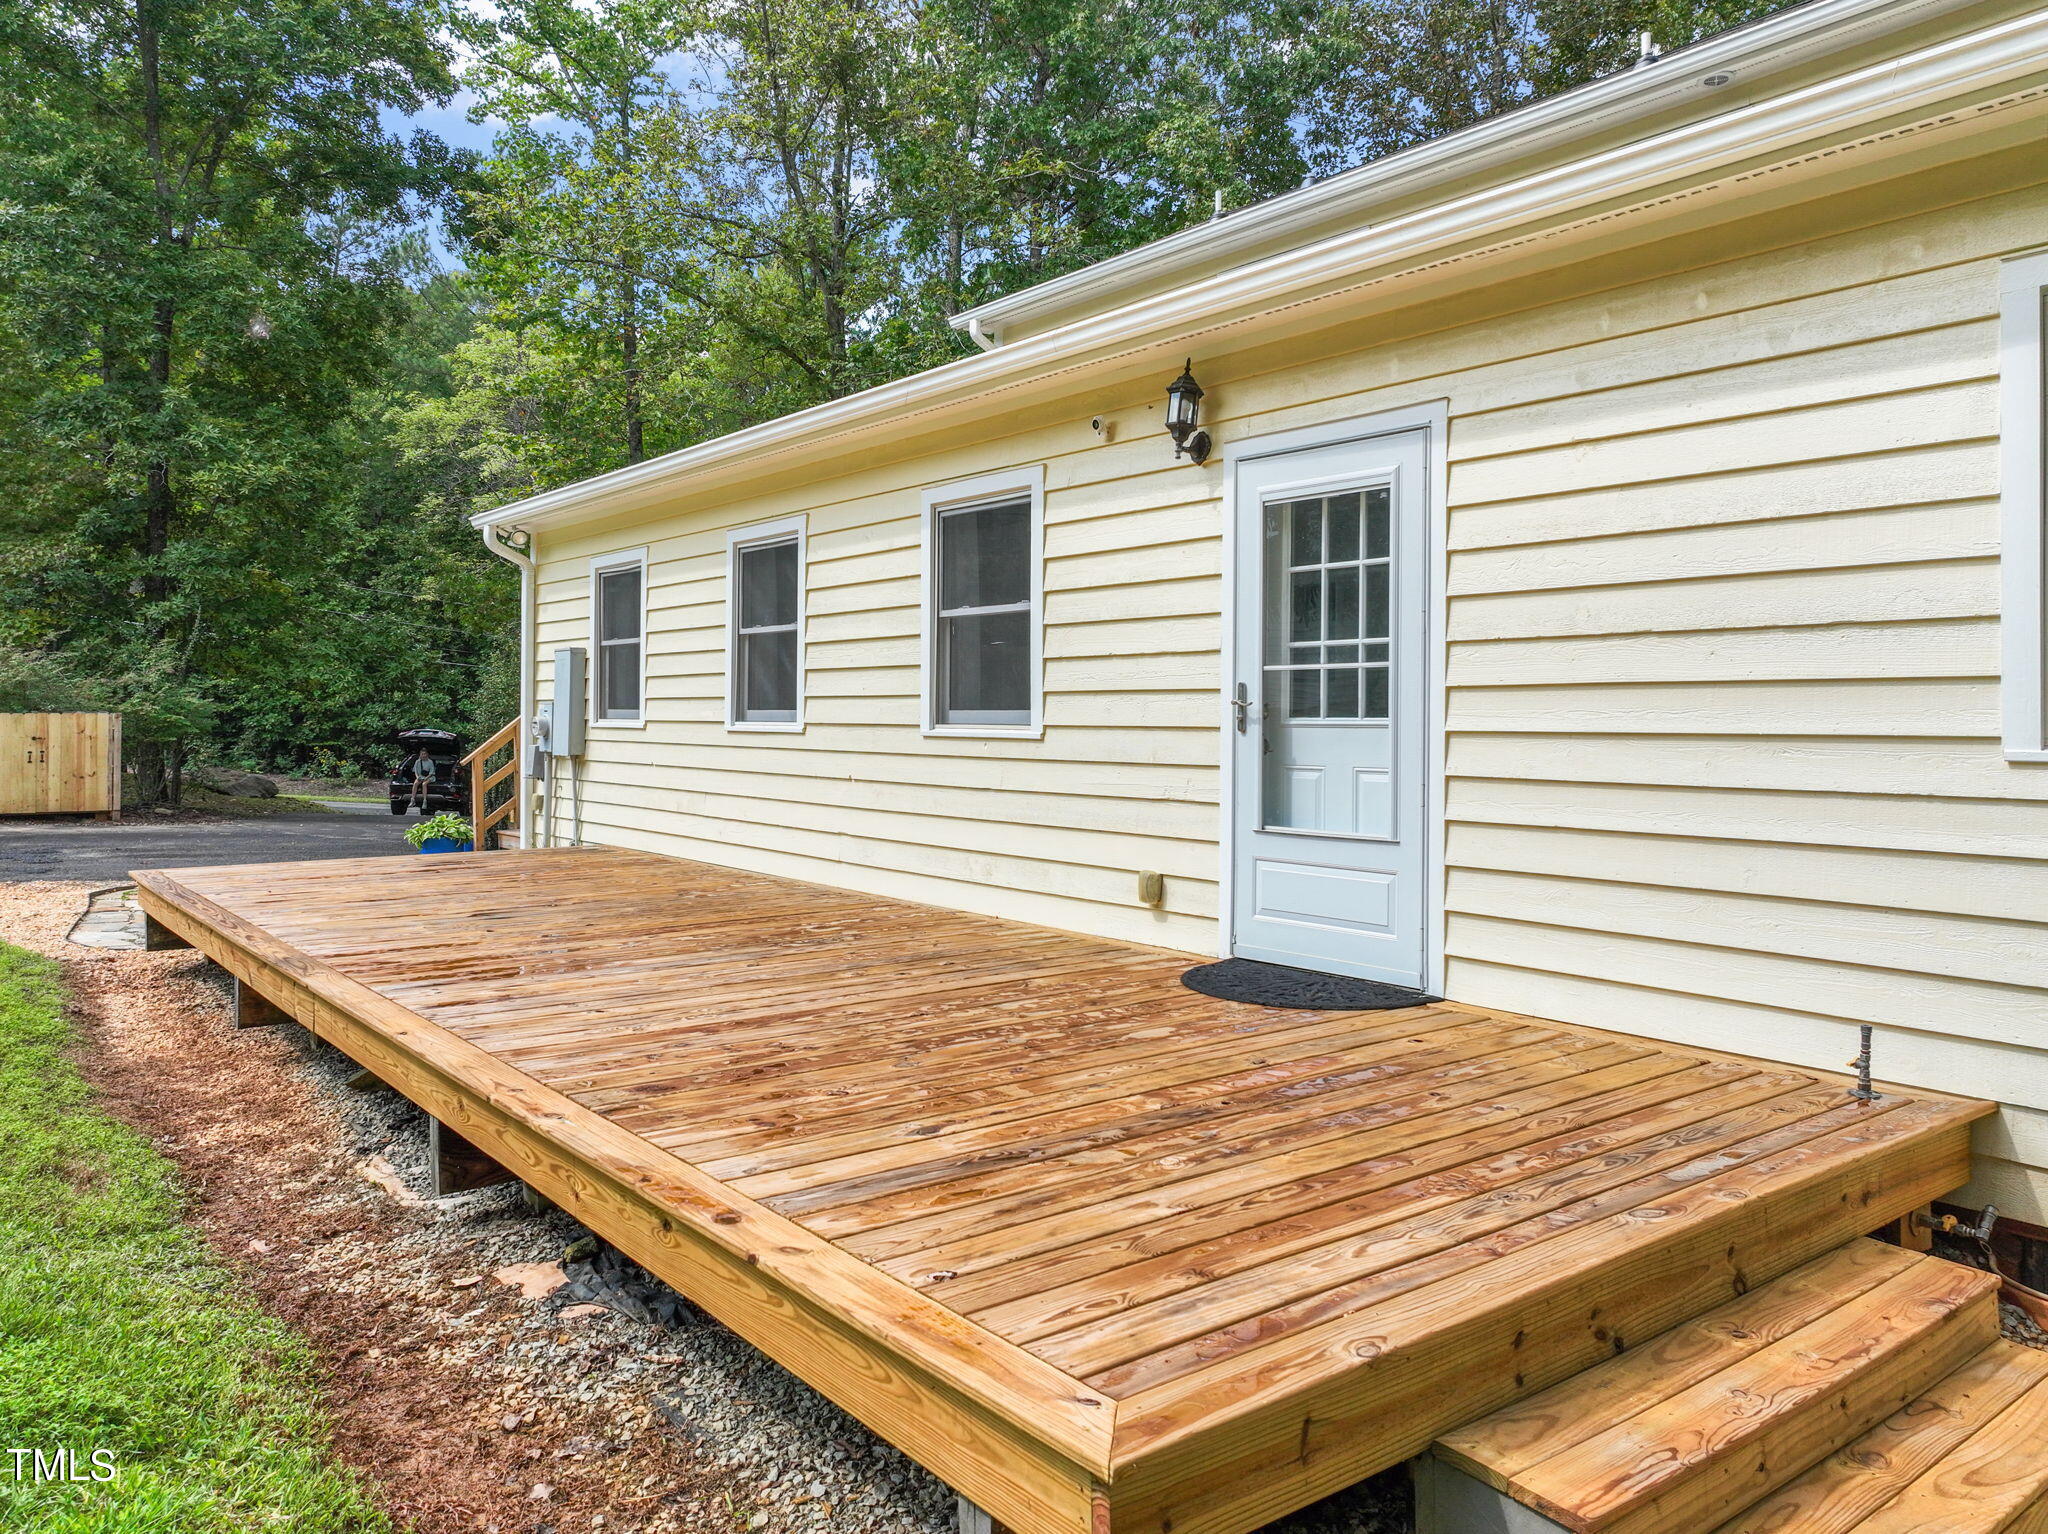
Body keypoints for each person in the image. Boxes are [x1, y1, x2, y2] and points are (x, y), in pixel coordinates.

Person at [405, 746, 436, 813]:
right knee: (415, 783)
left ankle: (424, 801)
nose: (423, 755)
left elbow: (432, 772)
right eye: (422, 754)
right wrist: (417, 777)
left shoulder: (430, 762)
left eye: (424, 754)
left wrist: (426, 778)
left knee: (424, 784)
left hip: (429, 777)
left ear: (427, 754)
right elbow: (415, 771)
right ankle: (412, 799)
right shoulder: (417, 762)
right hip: (420, 776)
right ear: (420, 755)